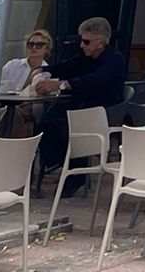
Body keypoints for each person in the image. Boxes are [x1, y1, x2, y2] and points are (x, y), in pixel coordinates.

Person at [34, 17, 127, 186]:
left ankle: (75, 174)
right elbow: (68, 66)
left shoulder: (115, 60)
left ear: (99, 42)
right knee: (46, 123)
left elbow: (96, 79)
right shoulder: (85, 57)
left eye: (86, 41)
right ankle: (63, 164)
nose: (82, 45)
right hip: (82, 106)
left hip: (103, 111)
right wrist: (42, 69)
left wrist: (62, 84)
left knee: (63, 127)